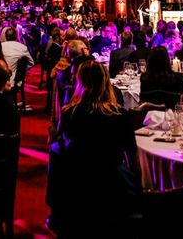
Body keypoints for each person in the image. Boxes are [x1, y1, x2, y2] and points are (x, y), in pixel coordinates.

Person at [48, 61, 140, 236]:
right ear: (106, 82)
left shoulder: (70, 113)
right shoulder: (122, 115)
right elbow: (133, 161)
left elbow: (65, 154)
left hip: (79, 183)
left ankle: (57, 215)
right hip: (114, 183)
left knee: (55, 151)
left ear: (80, 83)